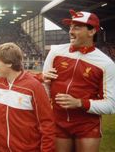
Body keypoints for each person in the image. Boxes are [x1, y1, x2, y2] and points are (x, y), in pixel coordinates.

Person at [42, 10, 115, 152]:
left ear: (92, 31)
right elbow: (45, 88)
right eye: (70, 27)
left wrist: (79, 103)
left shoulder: (106, 64)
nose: (70, 31)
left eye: (77, 27)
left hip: (86, 125)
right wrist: (43, 79)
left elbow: (111, 105)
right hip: (58, 121)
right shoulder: (55, 52)